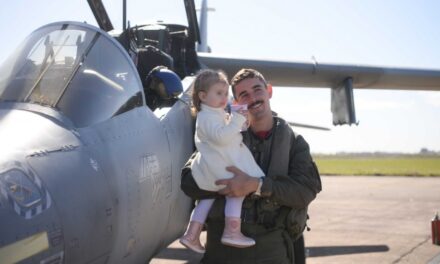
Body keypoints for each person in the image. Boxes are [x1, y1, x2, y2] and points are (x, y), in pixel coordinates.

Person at [181, 68, 322, 264]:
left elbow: (305, 191)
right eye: (244, 94)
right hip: (221, 252)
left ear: (269, 91)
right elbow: (188, 181)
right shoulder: (222, 136)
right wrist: (224, 184)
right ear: (236, 102)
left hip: (271, 249)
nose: (253, 98)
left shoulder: (293, 142)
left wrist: (257, 185)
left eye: (257, 90)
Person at [179, 69, 265, 253]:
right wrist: (237, 120)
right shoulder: (207, 117)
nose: (224, 97)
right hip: (221, 167)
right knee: (238, 190)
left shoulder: (212, 113)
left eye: (226, 93)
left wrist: (239, 122)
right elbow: (221, 138)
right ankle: (232, 232)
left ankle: (191, 234)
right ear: (202, 95)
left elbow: (226, 132)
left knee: (207, 198)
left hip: (213, 169)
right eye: (219, 93)